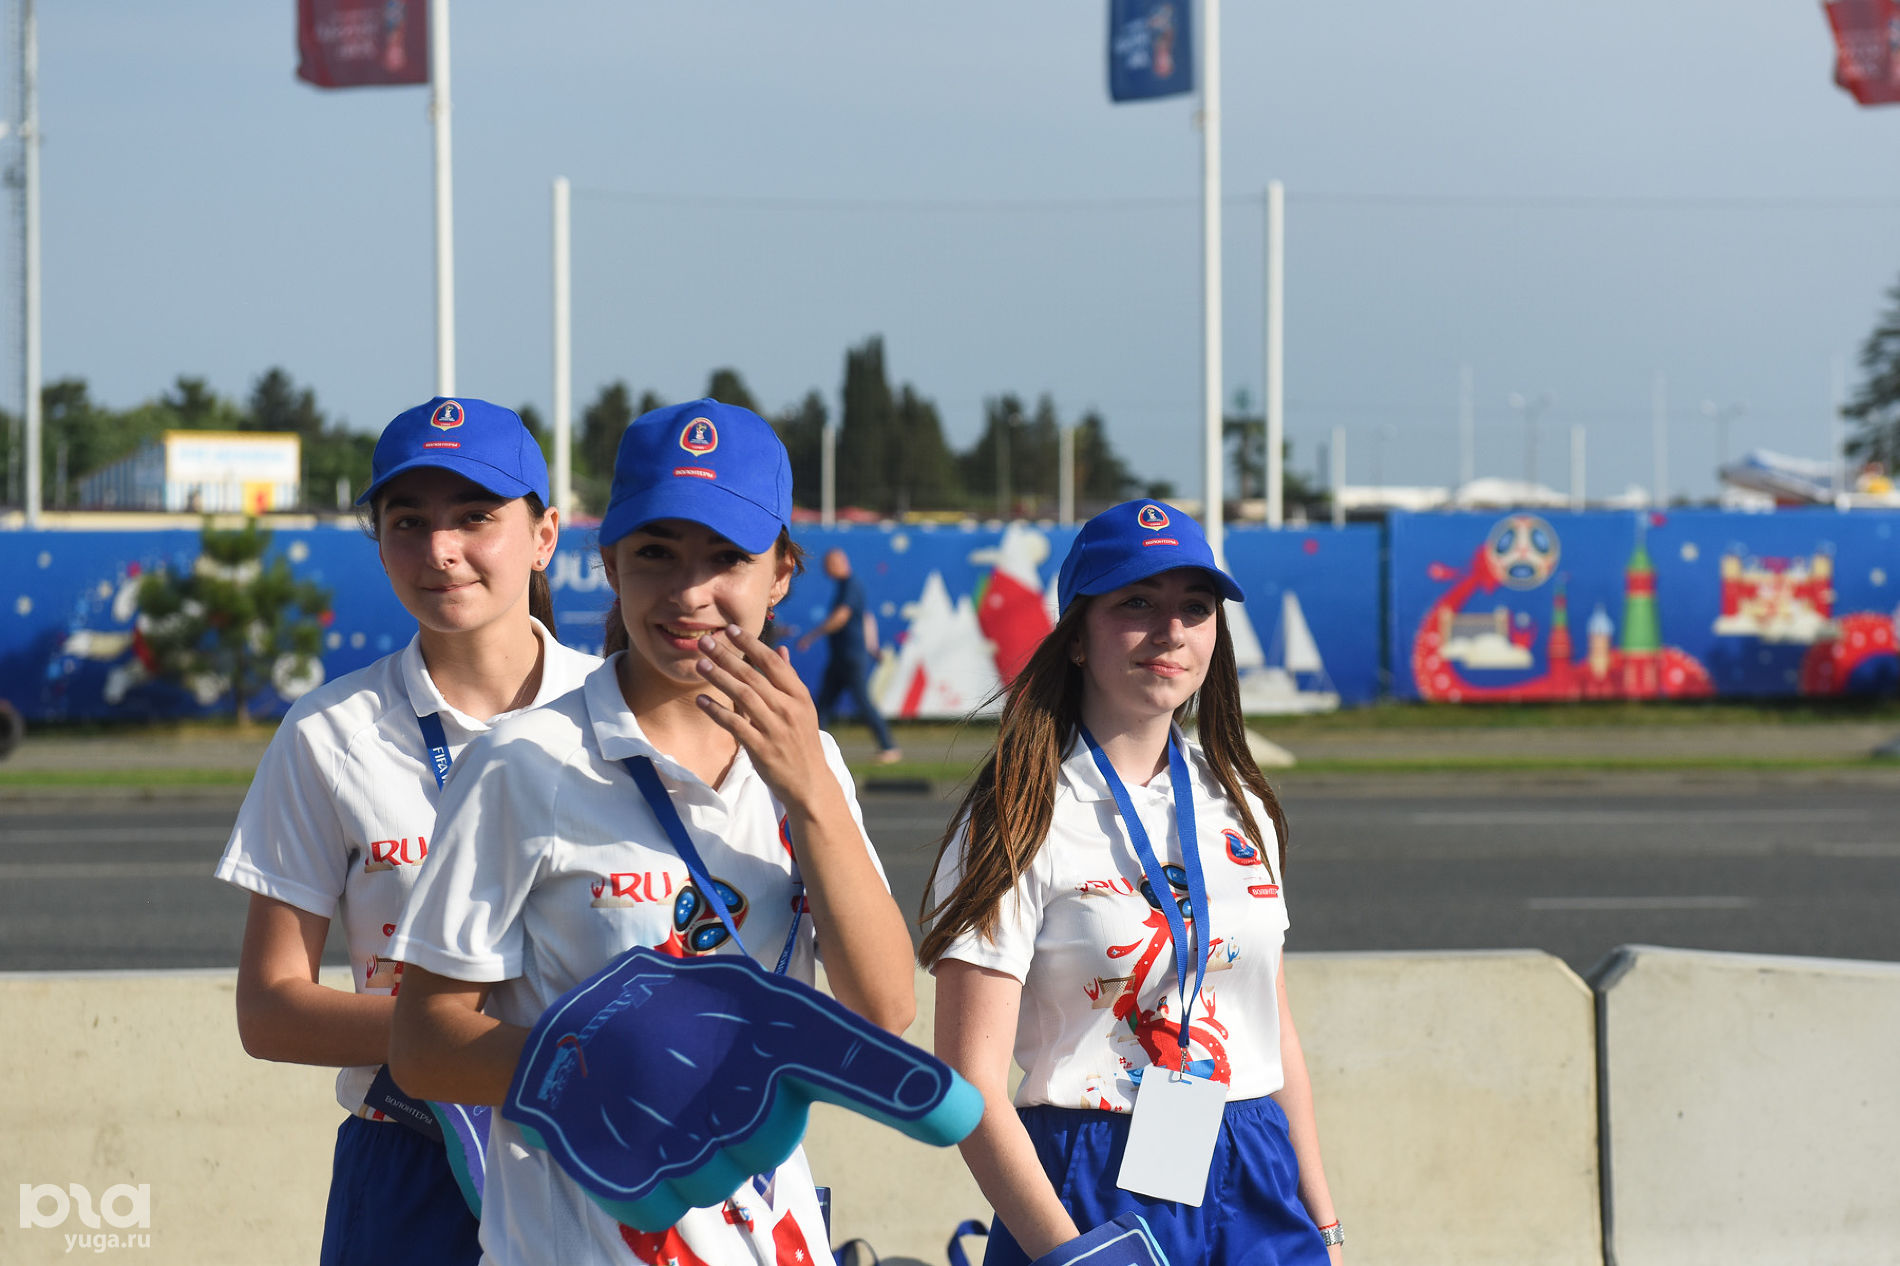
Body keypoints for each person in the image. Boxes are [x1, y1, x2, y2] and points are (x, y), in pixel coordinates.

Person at [386, 398, 915, 1266]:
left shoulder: (811, 759)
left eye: (727, 558)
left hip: (773, 1238)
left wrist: (810, 791)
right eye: (656, 554)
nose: (689, 592)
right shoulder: (523, 761)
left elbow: (883, 1014)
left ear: (782, 573)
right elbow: (422, 1045)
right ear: (611, 564)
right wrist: (601, 1062)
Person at [214, 397, 600, 1266]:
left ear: (544, 536)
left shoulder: (619, 716)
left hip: (596, 1155)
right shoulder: (328, 733)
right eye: (408, 522)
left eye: (475, 517)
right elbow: (268, 1011)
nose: (441, 549)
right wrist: (452, 1038)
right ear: (381, 542)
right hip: (412, 1164)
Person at [919, 500, 1344, 1266]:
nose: (1172, 630)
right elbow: (968, 1081)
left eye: (1195, 607)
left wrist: (1325, 1225)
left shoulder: (1241, 802)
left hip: (1253, 1161)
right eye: (1137, 603)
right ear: (1078, 636)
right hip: (1088, 1176)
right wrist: (1070, 1254)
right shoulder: (1016, 815)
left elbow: (1272, 1028)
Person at [797, 547, 903, 763]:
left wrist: (812, 636)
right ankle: (813, 748)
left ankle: (889, 746)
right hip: (840, 657)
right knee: (824, 703)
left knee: (862, 702)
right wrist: (873, 646)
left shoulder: (851, 586)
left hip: (851, 657)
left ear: (839, 563)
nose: (825, 569)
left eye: (828, 564)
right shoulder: (845, 586)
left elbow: (841, 617)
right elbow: (866, 618)